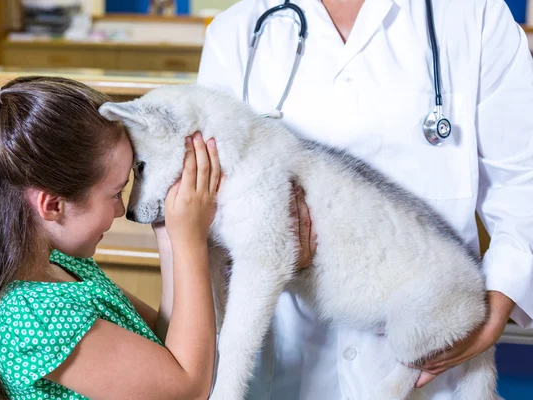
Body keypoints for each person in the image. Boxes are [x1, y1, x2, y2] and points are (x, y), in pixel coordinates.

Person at [185, 0, 533, 399]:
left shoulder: (476, 15)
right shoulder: (237, 31)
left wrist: (496, 309)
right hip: (290, 357)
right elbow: (206, 200)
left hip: (430, 359)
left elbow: (524, 182)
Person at [0, 76, 225, 400]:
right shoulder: (31, 316)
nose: (121, 210)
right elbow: (186, 390)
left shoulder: (61, 264)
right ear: (53, 205)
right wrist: (190, 241)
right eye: (116, 193)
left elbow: (162, 346)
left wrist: (170, 236)